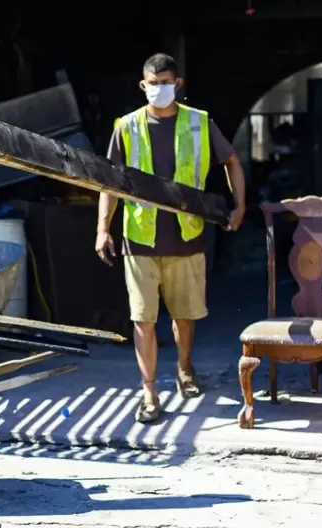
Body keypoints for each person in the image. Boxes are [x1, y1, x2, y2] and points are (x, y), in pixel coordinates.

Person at [95, 53, 246, 423]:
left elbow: (232, 161)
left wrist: (240, 206)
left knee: (185, 316)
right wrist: (102, 229)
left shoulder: (199, 123)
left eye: (166, 82)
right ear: (142, 85)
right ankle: (148, 393)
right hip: (140, 239)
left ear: (176, 84)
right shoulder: (126, 127)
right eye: (153, 83)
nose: (159, 89)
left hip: (186, 237)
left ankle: (184, 369)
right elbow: (109, 182)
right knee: (143, 319)